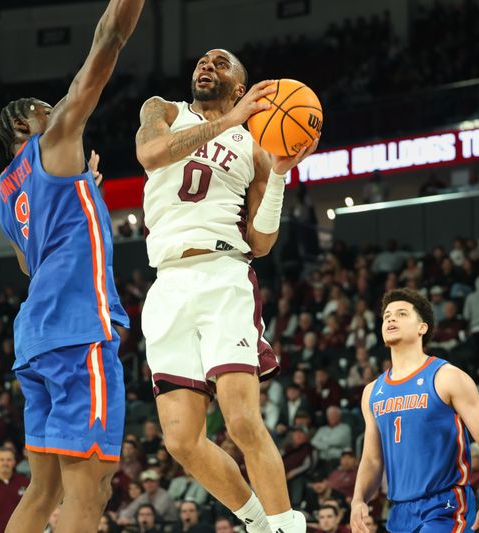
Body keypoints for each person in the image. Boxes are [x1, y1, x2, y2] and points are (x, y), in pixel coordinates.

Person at [135, 48, 318, 533]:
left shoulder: (254, 146)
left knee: (240, 419)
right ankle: (259, 524)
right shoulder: (163, 110)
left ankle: (287, 526)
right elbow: (151, 154)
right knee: (180, 440)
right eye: (202, 60)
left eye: (221, 62)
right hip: (167, 283)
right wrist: (230, 120)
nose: (206, 64)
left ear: (241, 87)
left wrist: (278, 176)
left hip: (223, 275)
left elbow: (260, 242)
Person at [0, 1, 144, 531]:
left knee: (43, 489)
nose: (55, 108)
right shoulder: (53, 140)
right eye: (43, 106)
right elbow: (106, 42)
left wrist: (84, 197)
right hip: (77, 330)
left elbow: (32, 263)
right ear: (23, 122)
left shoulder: (5, 193)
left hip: (35, 337)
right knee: (90, 490)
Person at [351, 288, 479, 533]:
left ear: (422, 328)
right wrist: (358, 499)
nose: (390, 318)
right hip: (399, 511)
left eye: (401, 314)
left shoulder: (447, 377)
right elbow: (372, 458)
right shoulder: (372, 391)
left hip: (446, 505)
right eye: (387, 315)